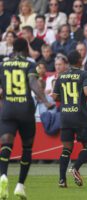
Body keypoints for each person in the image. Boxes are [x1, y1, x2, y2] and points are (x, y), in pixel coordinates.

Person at [0, 38, 53, 199]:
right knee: (27, 148)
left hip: (8, 109)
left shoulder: (2, 65)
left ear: (14, 49)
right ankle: (20, 186)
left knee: (6, 144)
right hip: (25, 109)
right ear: (25, 50)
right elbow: (32, 83)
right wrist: (45, 101)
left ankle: (3, 175)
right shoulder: (29, 65)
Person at [52, 50, 87, 188]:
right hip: (80, 116)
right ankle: (75, 168)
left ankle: (61, 180)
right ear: (80, 60)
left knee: (66, 149)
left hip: (65, 116)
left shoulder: (61, 76)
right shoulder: (85, 74)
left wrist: (66, 99)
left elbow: (54, 96)